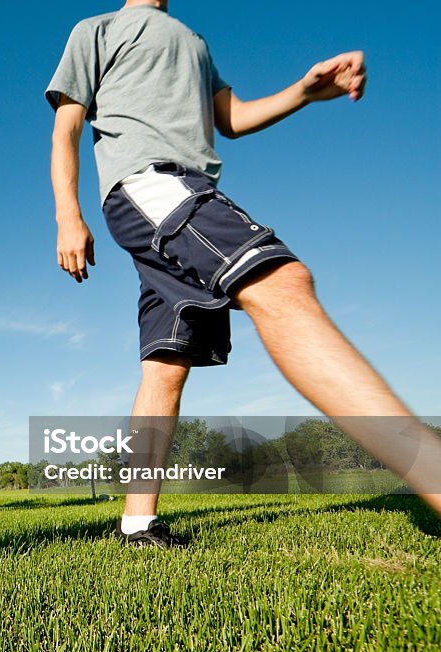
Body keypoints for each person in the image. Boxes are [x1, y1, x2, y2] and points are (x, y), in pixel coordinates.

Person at [46, 0, 441, 547]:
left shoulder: (195, 42)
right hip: (148, 184)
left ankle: (137, 524)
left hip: (188, 186)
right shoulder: (96, 30)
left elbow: (230, 119)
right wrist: (69, 215)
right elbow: (66, 127)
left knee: (167, 363)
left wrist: (304, 91)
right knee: (283, 282)